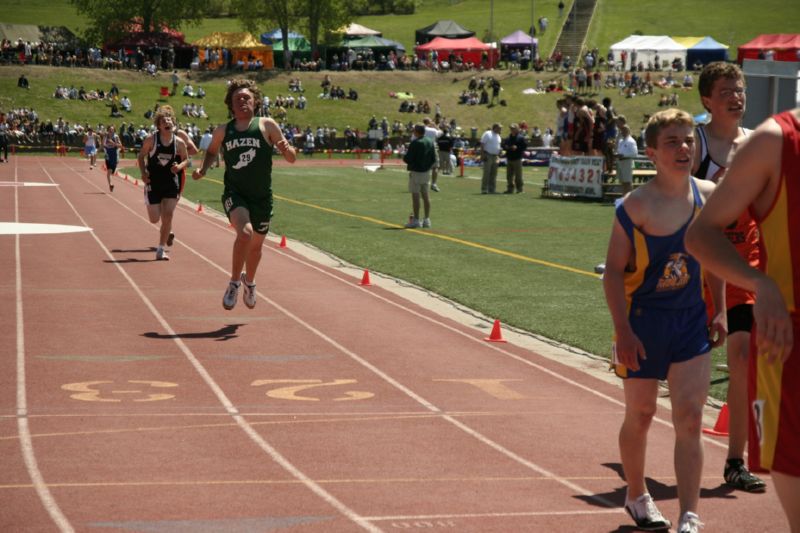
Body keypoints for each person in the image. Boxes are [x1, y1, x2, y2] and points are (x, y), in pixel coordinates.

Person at [603, 109, 726, 533]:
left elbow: (714, 259)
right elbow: (614, 273)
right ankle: (636, 495)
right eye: (672, 142)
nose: (684, 148)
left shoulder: (708, 195)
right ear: (651, 153)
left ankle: (689, 514)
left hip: (690, 320)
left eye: (689, 140)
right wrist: (623, 331)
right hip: (643, 323)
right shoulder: (634, 205)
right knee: (640, 413)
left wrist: (721, 308)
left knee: (690, 417)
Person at [686, 107, 800, 533]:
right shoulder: (775, 141)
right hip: (787, 339)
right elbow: (700, 234)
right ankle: (735, 457)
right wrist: (761, 284)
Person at [691, 61, 766, 493]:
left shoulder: (758, 144)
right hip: (693, 272)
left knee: (741, 361)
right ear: (707, 101)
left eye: (739, 89)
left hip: (742, 272)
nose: (736, 97)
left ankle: (735, 460)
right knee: (686, 372)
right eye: (726, 91)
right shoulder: (693, 143)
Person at [192, 78, 296, 310]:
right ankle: (234, 283)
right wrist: (203, 168)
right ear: (231, 104)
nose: (241, 102)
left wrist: (288, 149)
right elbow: (211, 152)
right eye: (237, 99)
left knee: (256, 247)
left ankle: (250, 282)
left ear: (255, 102)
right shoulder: (223, 130)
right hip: (235, 193)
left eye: (246, 98)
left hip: (261, 197)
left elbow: (291, 157)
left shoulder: (267, 125)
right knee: (245, 234)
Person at [137, 106, 189, 261]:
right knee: (154, 219)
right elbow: (141, 157)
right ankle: (166, 229)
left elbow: (186, 159)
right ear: (159, 126)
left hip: (171, 183)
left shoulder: (179, 142)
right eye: (164, 121)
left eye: (170, 120)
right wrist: (143, 173)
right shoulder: (151, 140)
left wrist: (179, 167)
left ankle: (160, 249)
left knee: (168, 215)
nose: (168, 122)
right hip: (153, 183)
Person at [402, 123, 436, 229]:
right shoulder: (430, 142)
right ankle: (427, 219)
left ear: (417, 132)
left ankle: (416, 219)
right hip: (426, 172)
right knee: (426, 196)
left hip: (416, 171)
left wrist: (404, 155)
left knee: (415, 196)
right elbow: (433, 159)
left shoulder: (415, 143)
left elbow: (407, 159)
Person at [502, 123, 527, 193]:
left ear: (517, 129)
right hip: (509, 158)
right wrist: (506, 147)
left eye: (513, 128)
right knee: (509, 176)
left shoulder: (521, 138)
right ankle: (510, 189)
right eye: (511, 128)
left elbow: (524, 147)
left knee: (518, 176)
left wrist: (517, 147)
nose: (512, 130)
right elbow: (503, 146)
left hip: (517, 159)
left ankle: (520, 189)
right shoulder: (508, 138)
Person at [615, 125, 638, 196]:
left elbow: (634, 153)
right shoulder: (621, 141)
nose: (622, 132)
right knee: (623, 182)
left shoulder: (631, 141)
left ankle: (630, 198)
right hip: (620, 162)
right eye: (622, 131)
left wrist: (623, 155)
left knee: (628, 182)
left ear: (628, 131)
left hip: (627, 162)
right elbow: (619, 151)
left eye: (624, 130)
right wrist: (616, 154)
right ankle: (624, 197)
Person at [480, 123, 502, 194]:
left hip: (495, 156)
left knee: (494, 173)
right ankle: (484, 189)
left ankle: (492, 189)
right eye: (499, 128)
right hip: (488, 155)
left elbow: (498, 146)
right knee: (487, 172)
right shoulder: (488, 134)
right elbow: (482, 144)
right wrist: (482, 154)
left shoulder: (498, 136)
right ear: (495, 128)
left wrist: (499, 155)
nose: (500, 129)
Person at [102, 125, 122, 192]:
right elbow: (103, 145)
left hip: (115, 156)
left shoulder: (116, 137)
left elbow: (120, 146)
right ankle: (110, 184)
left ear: (114, 130)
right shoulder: (106, 136)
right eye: (110, 129)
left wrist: (113, 143)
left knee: (112, 172)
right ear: (108, 130)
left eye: (112, 129)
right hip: (108, 155)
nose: (111, 130)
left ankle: (110, 184)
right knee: (109, 171)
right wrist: (107, 144)